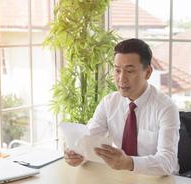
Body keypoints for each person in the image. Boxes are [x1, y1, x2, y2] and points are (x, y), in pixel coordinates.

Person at [64, 38, 180, 176]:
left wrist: (128, 163)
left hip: (160, 182)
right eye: (117, 70)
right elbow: (89, 139)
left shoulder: (165, 107)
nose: (121, 78)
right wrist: (77, 155)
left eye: (130, 71)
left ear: (148, 72)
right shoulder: (109, 102)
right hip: (123, 178)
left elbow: (168, 162)